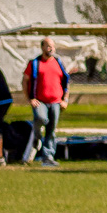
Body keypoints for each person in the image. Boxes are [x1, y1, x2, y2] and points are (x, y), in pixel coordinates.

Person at [22, 38, 71, 166]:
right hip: (40, 101)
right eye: (48, 46)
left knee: (51, 130)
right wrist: (29, 99)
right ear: (42, 47)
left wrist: (65, 99)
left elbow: (66, 82)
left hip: (56, 101)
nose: (51, 49)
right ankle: (37, 137)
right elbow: (25, 80)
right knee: (41, 118)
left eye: (53, 46)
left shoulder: (58, 63)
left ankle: (48, 157)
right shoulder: (35, 63)